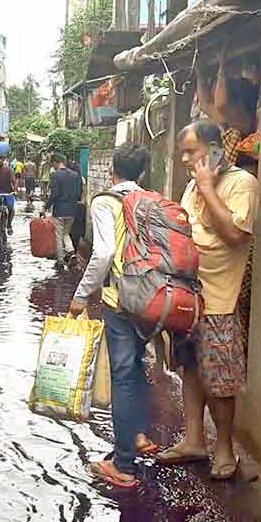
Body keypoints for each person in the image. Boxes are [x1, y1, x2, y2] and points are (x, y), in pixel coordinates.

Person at [157, 120, 259, 481]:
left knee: (220, 381)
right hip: (188, 298)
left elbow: (233, 234)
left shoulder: (242, 184)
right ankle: (194, 441)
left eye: (191, 151)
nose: (185, 159)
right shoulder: (190, 187)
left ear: (214, 149)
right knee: (190, 369)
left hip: (219, 301)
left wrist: (206, 186)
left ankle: (225, 449)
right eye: (183, 152)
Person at [69, 143, 157, 489]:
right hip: (150, 300)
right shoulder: (150, 199)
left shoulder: (105, 201)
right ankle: (137, 435)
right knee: (136, 367)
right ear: (141, 174)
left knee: (121, 376)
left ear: (112, 171)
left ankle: (122, 465)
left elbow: (103, 253)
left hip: (120, 300)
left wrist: (80, 297)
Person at [44, 154, 82, 269]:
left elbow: (54, 194)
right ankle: (71, 252)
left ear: (56, 162)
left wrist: (45, 207)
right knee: (66, 233)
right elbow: (79, 193)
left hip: (60, 210)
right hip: (73, 210)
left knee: (59, 236)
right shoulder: (75, 175)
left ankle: (60, 262)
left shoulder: (56, 175)